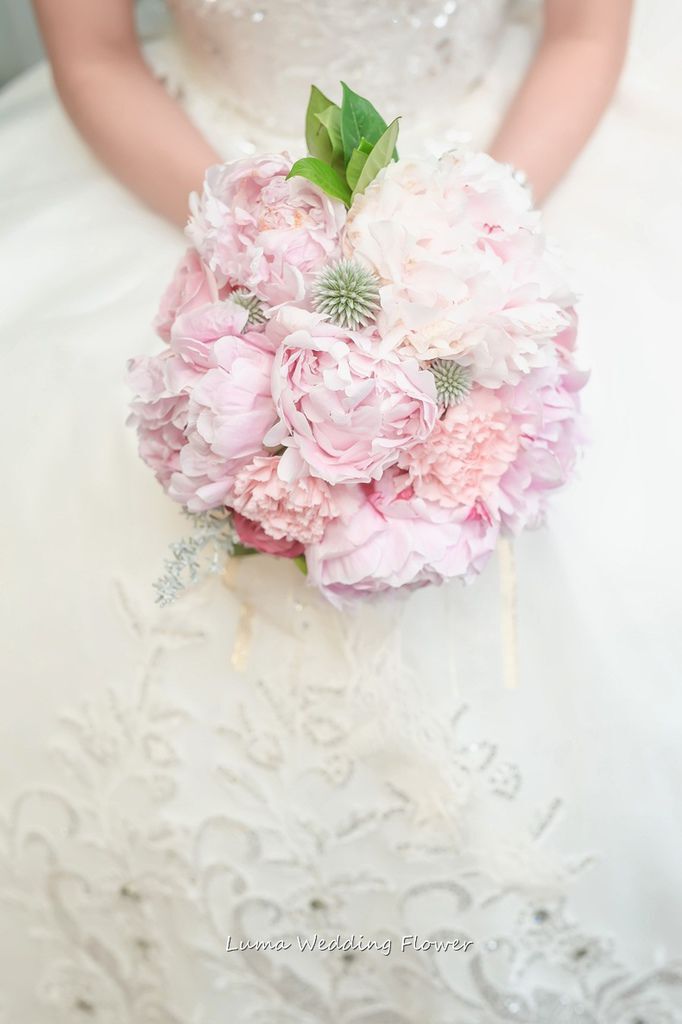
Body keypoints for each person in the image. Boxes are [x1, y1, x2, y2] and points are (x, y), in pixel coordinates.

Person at [1, 1, 681, 1020]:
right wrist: (260, 265)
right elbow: (92, 54)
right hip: (197, 178)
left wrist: (466, 263)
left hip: (510, 159)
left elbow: (584, 32)